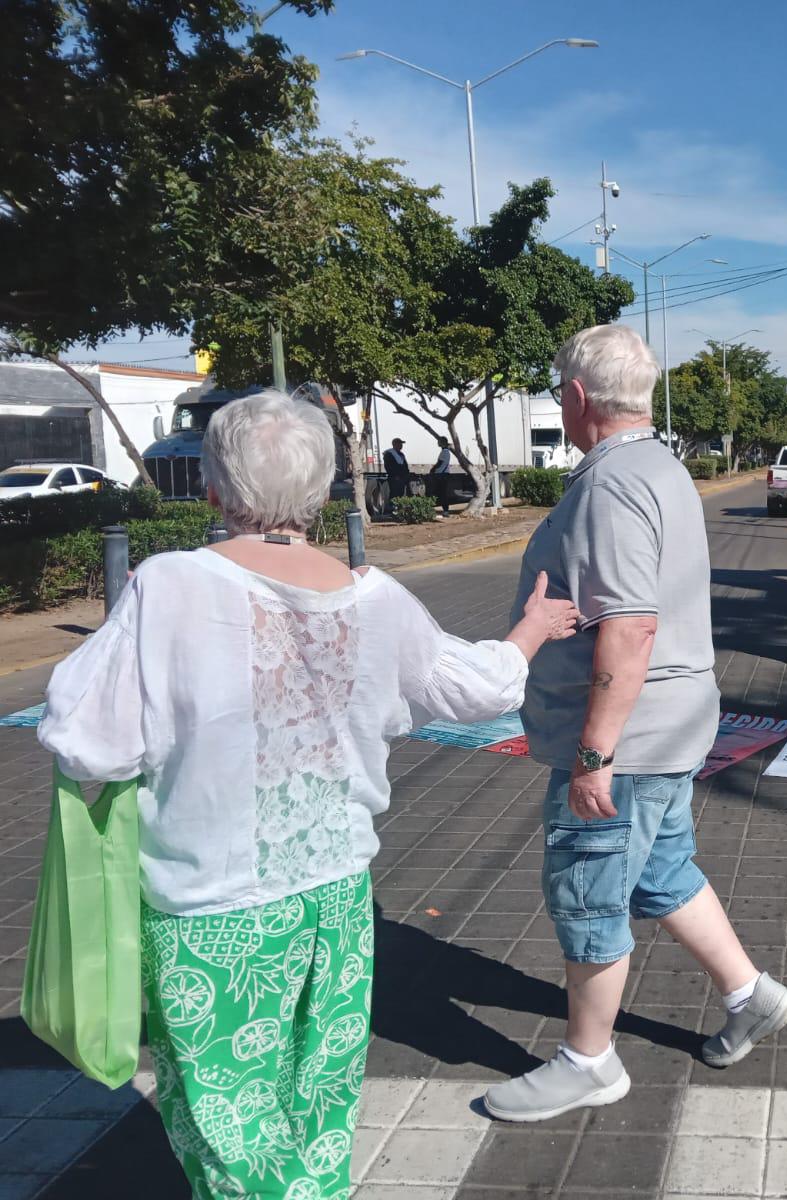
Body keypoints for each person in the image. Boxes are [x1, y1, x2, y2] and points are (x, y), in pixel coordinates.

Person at [36, 391, 578, 1195]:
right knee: (319, 1113)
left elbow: (86, 739)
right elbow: (474, 688)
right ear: (328, 490)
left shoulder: (172, 585)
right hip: (335, 902)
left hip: (210, 913)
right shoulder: (377, 597)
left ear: (214, 490)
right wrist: (530, 630)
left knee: (229, 1135)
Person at [491, 325, 787, 1122]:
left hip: (628, 734)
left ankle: (588, 1061)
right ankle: (750, 994)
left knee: (589, 887)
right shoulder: (660, 466)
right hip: (670, 719)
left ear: (576, 397)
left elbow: (629, 625)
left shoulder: (608, 484)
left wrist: (595, 754)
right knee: (662, 869)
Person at [382, 436, 410, 514]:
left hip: (402, 478)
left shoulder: (401, 454)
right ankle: (392, 509)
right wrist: (394, 475)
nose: (401, 445)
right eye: (400, 443)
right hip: (394, 478)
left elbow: (405, 465)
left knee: (401, 493)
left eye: (401, 444)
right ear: (394, 444)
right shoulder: (389, 454)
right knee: (394, 493)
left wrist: (407, 474)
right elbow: (388, 466)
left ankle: (399, 509)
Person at [431, 436, 455, 515]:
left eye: (439, 441)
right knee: (441, 492)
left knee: (442, 493)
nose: (438, 443)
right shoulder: (446, 451)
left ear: (443, 442)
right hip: (442, 474)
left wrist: (433, 469)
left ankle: (445, 510)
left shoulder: (445, 451)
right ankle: (445, 510)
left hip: (441, 474)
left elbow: (440, 462)